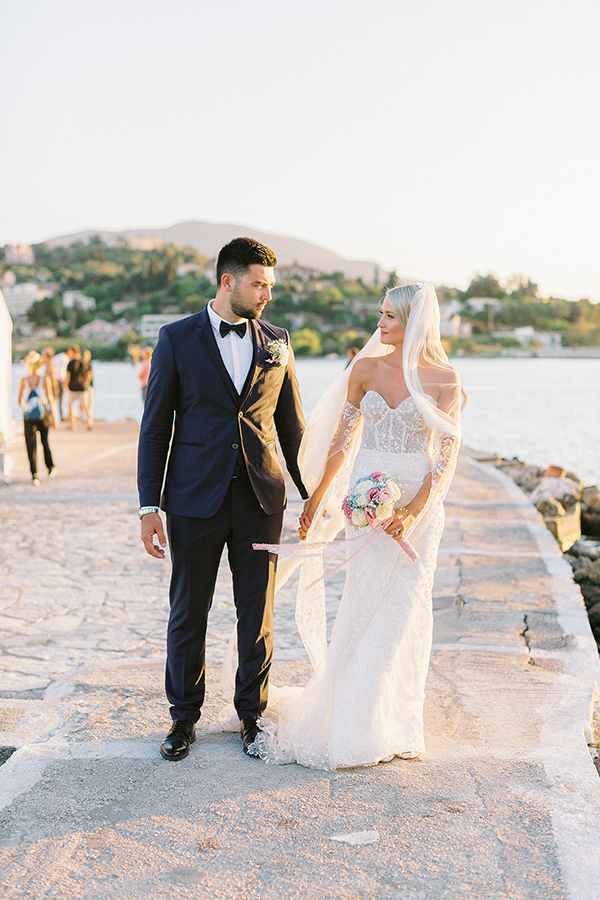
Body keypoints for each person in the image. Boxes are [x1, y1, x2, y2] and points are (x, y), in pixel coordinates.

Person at [250, 283, 462, 770]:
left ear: (412, 322)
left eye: (389, 316)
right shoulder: (363, 369)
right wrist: (316, 498)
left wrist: (412, 512)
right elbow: (342, 445)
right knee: (362, 606)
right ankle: (351, 723)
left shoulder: (446, 381)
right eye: (381, 314)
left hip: (417, 508)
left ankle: (391, 722)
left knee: (404, 611)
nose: (380, 323)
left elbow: (444, 463)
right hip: (364, 504)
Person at [137, 237, 308, 762]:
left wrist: (314, 496)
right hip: (192, 499)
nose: (267, 295)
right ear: (227, 281)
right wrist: (149, 506)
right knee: (189, 609)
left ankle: (252, 716)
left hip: (261, 500)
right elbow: (154, 427)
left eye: (271, 286)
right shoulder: (175, 339)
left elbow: (293, 427)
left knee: (256, 612)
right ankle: (183, 718)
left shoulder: (278, 341)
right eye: (259, 284)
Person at [17, 351, 56, 485]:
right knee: (44, 442)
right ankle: (50, 466)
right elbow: (50, 398)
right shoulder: (44, 379)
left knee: (30, 445)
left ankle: (34, 474)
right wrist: (53, 417)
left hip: (28, 417)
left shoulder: (24, 380)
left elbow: (19, 401)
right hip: (43, 416)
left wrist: (27, 408)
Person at [64, 345, 87, 429]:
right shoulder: (82, 362)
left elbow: (68, 376)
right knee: (84, 405)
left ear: (73, 352)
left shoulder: (70, 363)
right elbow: (86, 375)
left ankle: (72, 424)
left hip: (72, 387)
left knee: (70, 406)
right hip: (82, 386)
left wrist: (65, 385)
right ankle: (89, 422)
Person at [81, 349, 94, 429]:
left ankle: (89, 419)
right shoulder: (83, 364)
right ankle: (87, 418)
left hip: (88, 387)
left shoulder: (88, 364)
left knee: (87, 404)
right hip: (86, 387)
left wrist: (85, 384)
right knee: (85, 404)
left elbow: (89, 375)